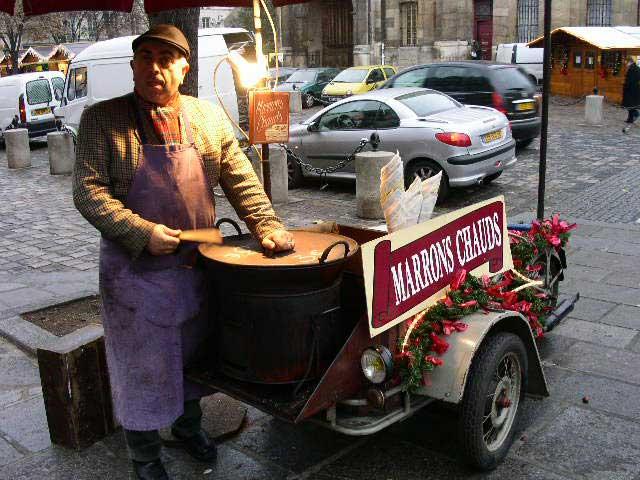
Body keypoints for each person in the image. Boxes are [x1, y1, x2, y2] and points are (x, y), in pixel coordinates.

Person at [72, 24, 294, 480]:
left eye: (166, 59)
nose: (154, 67)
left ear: (183, 69)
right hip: (134, 275)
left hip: (195, 269)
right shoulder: (102, 119)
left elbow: (241, 179)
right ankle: (145, 456)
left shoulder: (207, 117)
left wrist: (268, 226)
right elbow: (89, 192)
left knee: (193, 357)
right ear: (133, 65)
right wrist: (140, 231)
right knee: (143, 365)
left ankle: (189, 429)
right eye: (145, 57)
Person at [622, 56, 640, 133]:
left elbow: (630, 81)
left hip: (631, 90)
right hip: (635, 90)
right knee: (631, 105)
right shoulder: (637, 68)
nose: (625, 64)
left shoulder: (632, 69)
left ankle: (635, 115)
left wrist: (625, 86)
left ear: (629, 61)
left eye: (626, 62)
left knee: (630, 105)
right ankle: (630, 118)